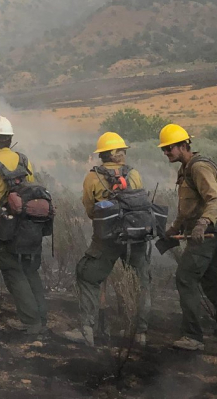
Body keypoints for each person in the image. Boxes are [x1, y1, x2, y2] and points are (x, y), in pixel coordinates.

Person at [59, 132, 151, 348]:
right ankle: (140, 334)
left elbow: (90, 209)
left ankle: (87, 331)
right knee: (142, 281)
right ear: (115, 153)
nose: (125, 154)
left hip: (107, 239)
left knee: (88, 275)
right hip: (136, 237)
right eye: (123, 150)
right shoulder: (134, 174)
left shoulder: (93, 177)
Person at [158, 123, 217, 351]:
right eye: (163, 149)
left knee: (185, 278)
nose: (166, 153)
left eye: (169, 148)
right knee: (215, 281)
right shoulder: (186, 169)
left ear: (184, 145)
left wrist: (203, 223)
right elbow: (188, 206)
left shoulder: (199, 168)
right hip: (200, 233)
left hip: (205, 234)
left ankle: (192, 336)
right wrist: (175, 227)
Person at [0, 116, 48, 335]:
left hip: (3, 226)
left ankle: (32, 323)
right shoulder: (24, 160)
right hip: (30, 224)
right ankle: (42, 317)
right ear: (9, 138)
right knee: (30, 269)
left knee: (13, 271)